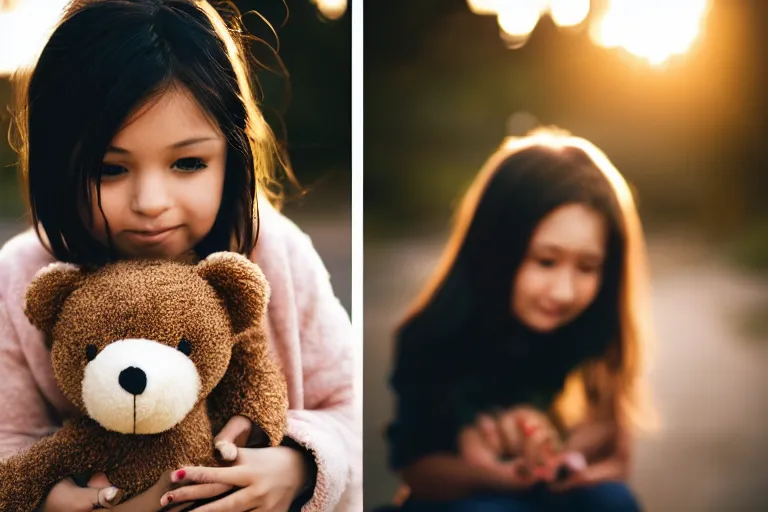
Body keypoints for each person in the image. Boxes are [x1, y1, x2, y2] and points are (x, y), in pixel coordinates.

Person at [0, 1, 360, 511]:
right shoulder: (21, 275)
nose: (151, 202)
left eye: (188, 162)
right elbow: (6, 433)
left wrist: (300, 466)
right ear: (60, 165)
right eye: (109, 168)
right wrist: (46, 500)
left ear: (231, 156)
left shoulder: (275, 254)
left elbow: (350, 409)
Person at [386, 128, 656, 511]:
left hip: (550, 487)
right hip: (462, 497)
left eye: (588, 267)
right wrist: (498, 476)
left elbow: (617, 458)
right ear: (497, 246)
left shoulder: (594, 322)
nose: (563, 291)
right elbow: (417, 470)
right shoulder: (434, 332)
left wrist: (568, 460)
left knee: (613, 501)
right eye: (546, 261)